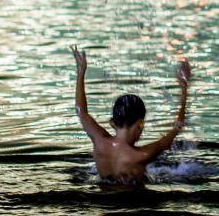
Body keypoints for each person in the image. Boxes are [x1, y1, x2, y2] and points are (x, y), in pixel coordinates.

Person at [70, 45, 191, 184]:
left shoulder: (99, 141)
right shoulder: (141, 155)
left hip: (103, 197)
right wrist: (184, 87)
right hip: (134, 203)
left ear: (113, 123)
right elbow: (177, 127)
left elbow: (81, 111)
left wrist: (81, 71)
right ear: (140, 123)